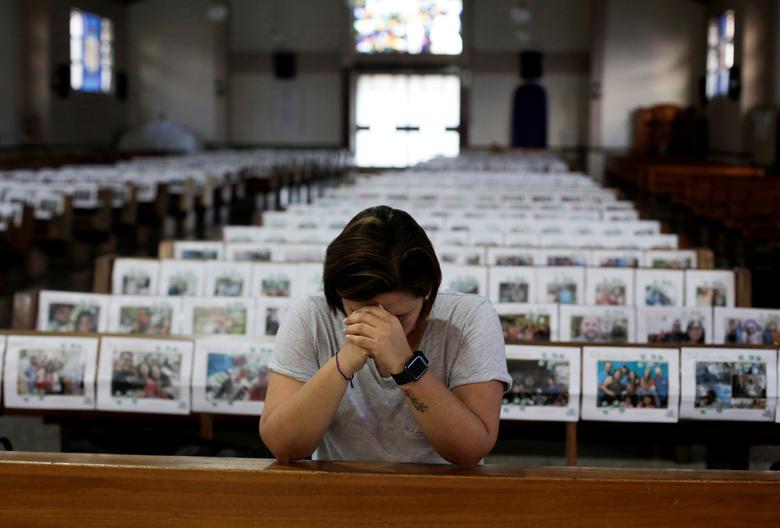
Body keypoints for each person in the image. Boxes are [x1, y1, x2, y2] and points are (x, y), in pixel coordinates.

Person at [260, 206, 511, 467]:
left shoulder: (469, 317)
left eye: (399, 316)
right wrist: (344, 362)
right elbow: (284, 446)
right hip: (338, 495)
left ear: (427, 292)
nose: (381, 327)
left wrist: (405, 365)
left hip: (445, 495)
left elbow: (470, 450)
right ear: (338, 294)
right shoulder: (311, 315)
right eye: (358, 312)